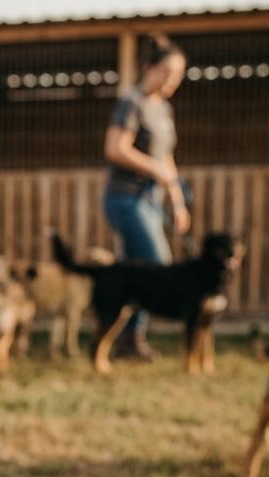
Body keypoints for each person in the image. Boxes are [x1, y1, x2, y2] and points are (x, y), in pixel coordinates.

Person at [103, 34, 189, 360]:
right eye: (166, 73)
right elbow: (115, 149)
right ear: (148, 68)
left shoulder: (164, 110)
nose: (172, 82)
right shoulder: (131, 103)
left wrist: (178, 201)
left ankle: (128, 337)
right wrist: (155, 169)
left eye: (178, 76)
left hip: (153, 200)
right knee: (154, 267)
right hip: (124, 199)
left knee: (143, 270)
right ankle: (129, 338)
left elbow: (166, 158)